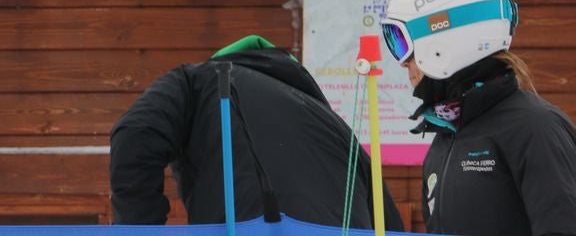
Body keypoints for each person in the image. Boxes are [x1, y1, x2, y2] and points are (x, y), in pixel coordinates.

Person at [110, 35, 405, 230]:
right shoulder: (334, 123)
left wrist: (139, 229)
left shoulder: (196, 81)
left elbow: (135, 134)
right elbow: (388, 222)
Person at [381, 0, 576, 236]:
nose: (403, 62)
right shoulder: (447, 136)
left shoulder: (535, 128)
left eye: (402, 43)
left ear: (443, 40)